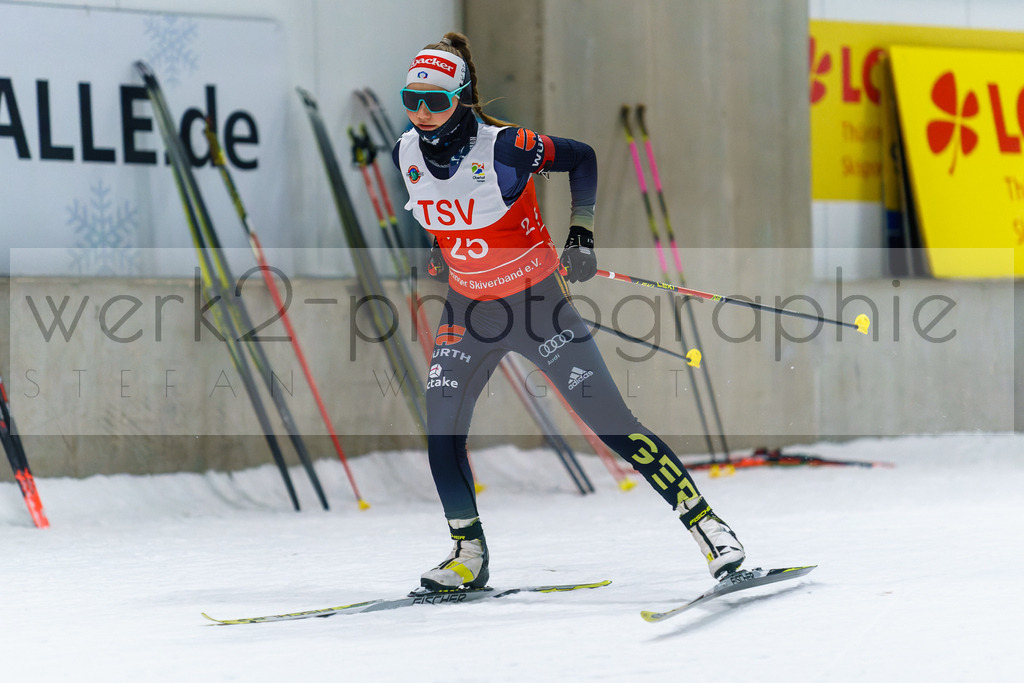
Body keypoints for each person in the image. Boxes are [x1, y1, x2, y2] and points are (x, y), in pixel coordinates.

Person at [394, 32, 744, 591]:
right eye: (411, 100)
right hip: (469, 311)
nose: (422, 114)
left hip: (537, 308)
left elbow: (582, 157)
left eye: (435, 101)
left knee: (613, 426)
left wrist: (580, 234)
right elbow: (447, 213)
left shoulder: (505, 147)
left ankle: (711, 530)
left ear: (459, 99)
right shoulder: (405, 152)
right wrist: (441, 248)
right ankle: (468, 554)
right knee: (441, 428)